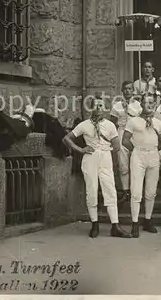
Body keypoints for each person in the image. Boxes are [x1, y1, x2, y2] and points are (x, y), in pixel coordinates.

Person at [63, 96, 131, 238]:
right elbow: (67, 139)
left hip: (105, 157)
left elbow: (117, 146)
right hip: (90, 158)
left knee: (110, 189)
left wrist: (106, 151)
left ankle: (115, 225)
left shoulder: (110, 125)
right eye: (96, 106)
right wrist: (81, 150)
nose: (99, 109)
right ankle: (95, 224)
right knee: (91, 191)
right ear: (91, 108)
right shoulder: (84, 125)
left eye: (101, 106)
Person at [122, 94, 161, 237]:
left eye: (151, 102)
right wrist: (136, 150)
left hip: (152, 156)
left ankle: (148, 220)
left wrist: (152, 150)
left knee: (151, 192)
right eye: (146, 102)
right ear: (141, 104)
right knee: (136, 191)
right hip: (138, 156)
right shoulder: (133, 121)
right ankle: (135, 223)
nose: (149, 105)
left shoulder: (158, 123)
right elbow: (125, 140)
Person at [110, 81, 142, 203]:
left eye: (130, 89)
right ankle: (125, 191)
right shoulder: (117, 105)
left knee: (136, 163)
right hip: (122, 132)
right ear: (122, 91)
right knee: (123, 163)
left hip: (135, 134)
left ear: (133, 90)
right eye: (126, 89)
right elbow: (112, 122)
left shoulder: (138, 105)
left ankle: (136, 191)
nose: (128, 91)